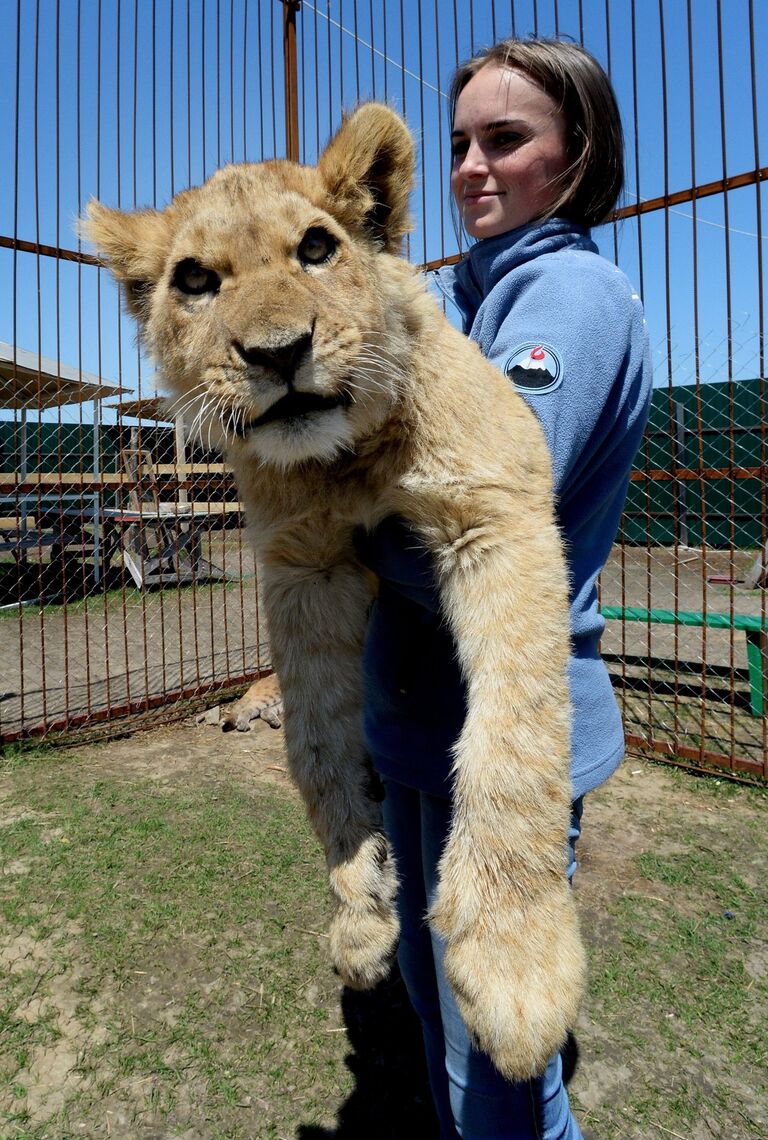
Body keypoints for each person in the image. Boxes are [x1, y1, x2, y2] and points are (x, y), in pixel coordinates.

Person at [352, 37, 653, 1140]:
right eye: (465, 141)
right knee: (441, 1010)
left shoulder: (565, 295)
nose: (474, 165)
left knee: (499, 1073)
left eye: (508, 139)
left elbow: (478, 517)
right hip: (428, 720)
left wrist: (335, 526)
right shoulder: (473, 299)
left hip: (505, 742)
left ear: (575, 157)